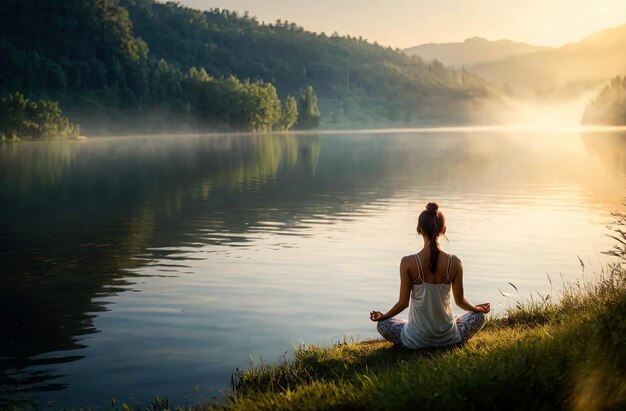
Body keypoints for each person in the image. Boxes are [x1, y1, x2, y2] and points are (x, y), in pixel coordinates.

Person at [369, 202, 490, 348]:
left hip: (415, 340)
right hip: (449, 338)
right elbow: (460, 302)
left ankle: (413, 333)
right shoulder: (455, 262)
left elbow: (403, 303)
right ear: (444, 229)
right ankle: (450, 330)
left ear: (419, 229)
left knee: (383, 325)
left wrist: (384, 316)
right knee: (478, 317)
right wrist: (477, 309)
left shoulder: (407, 262)